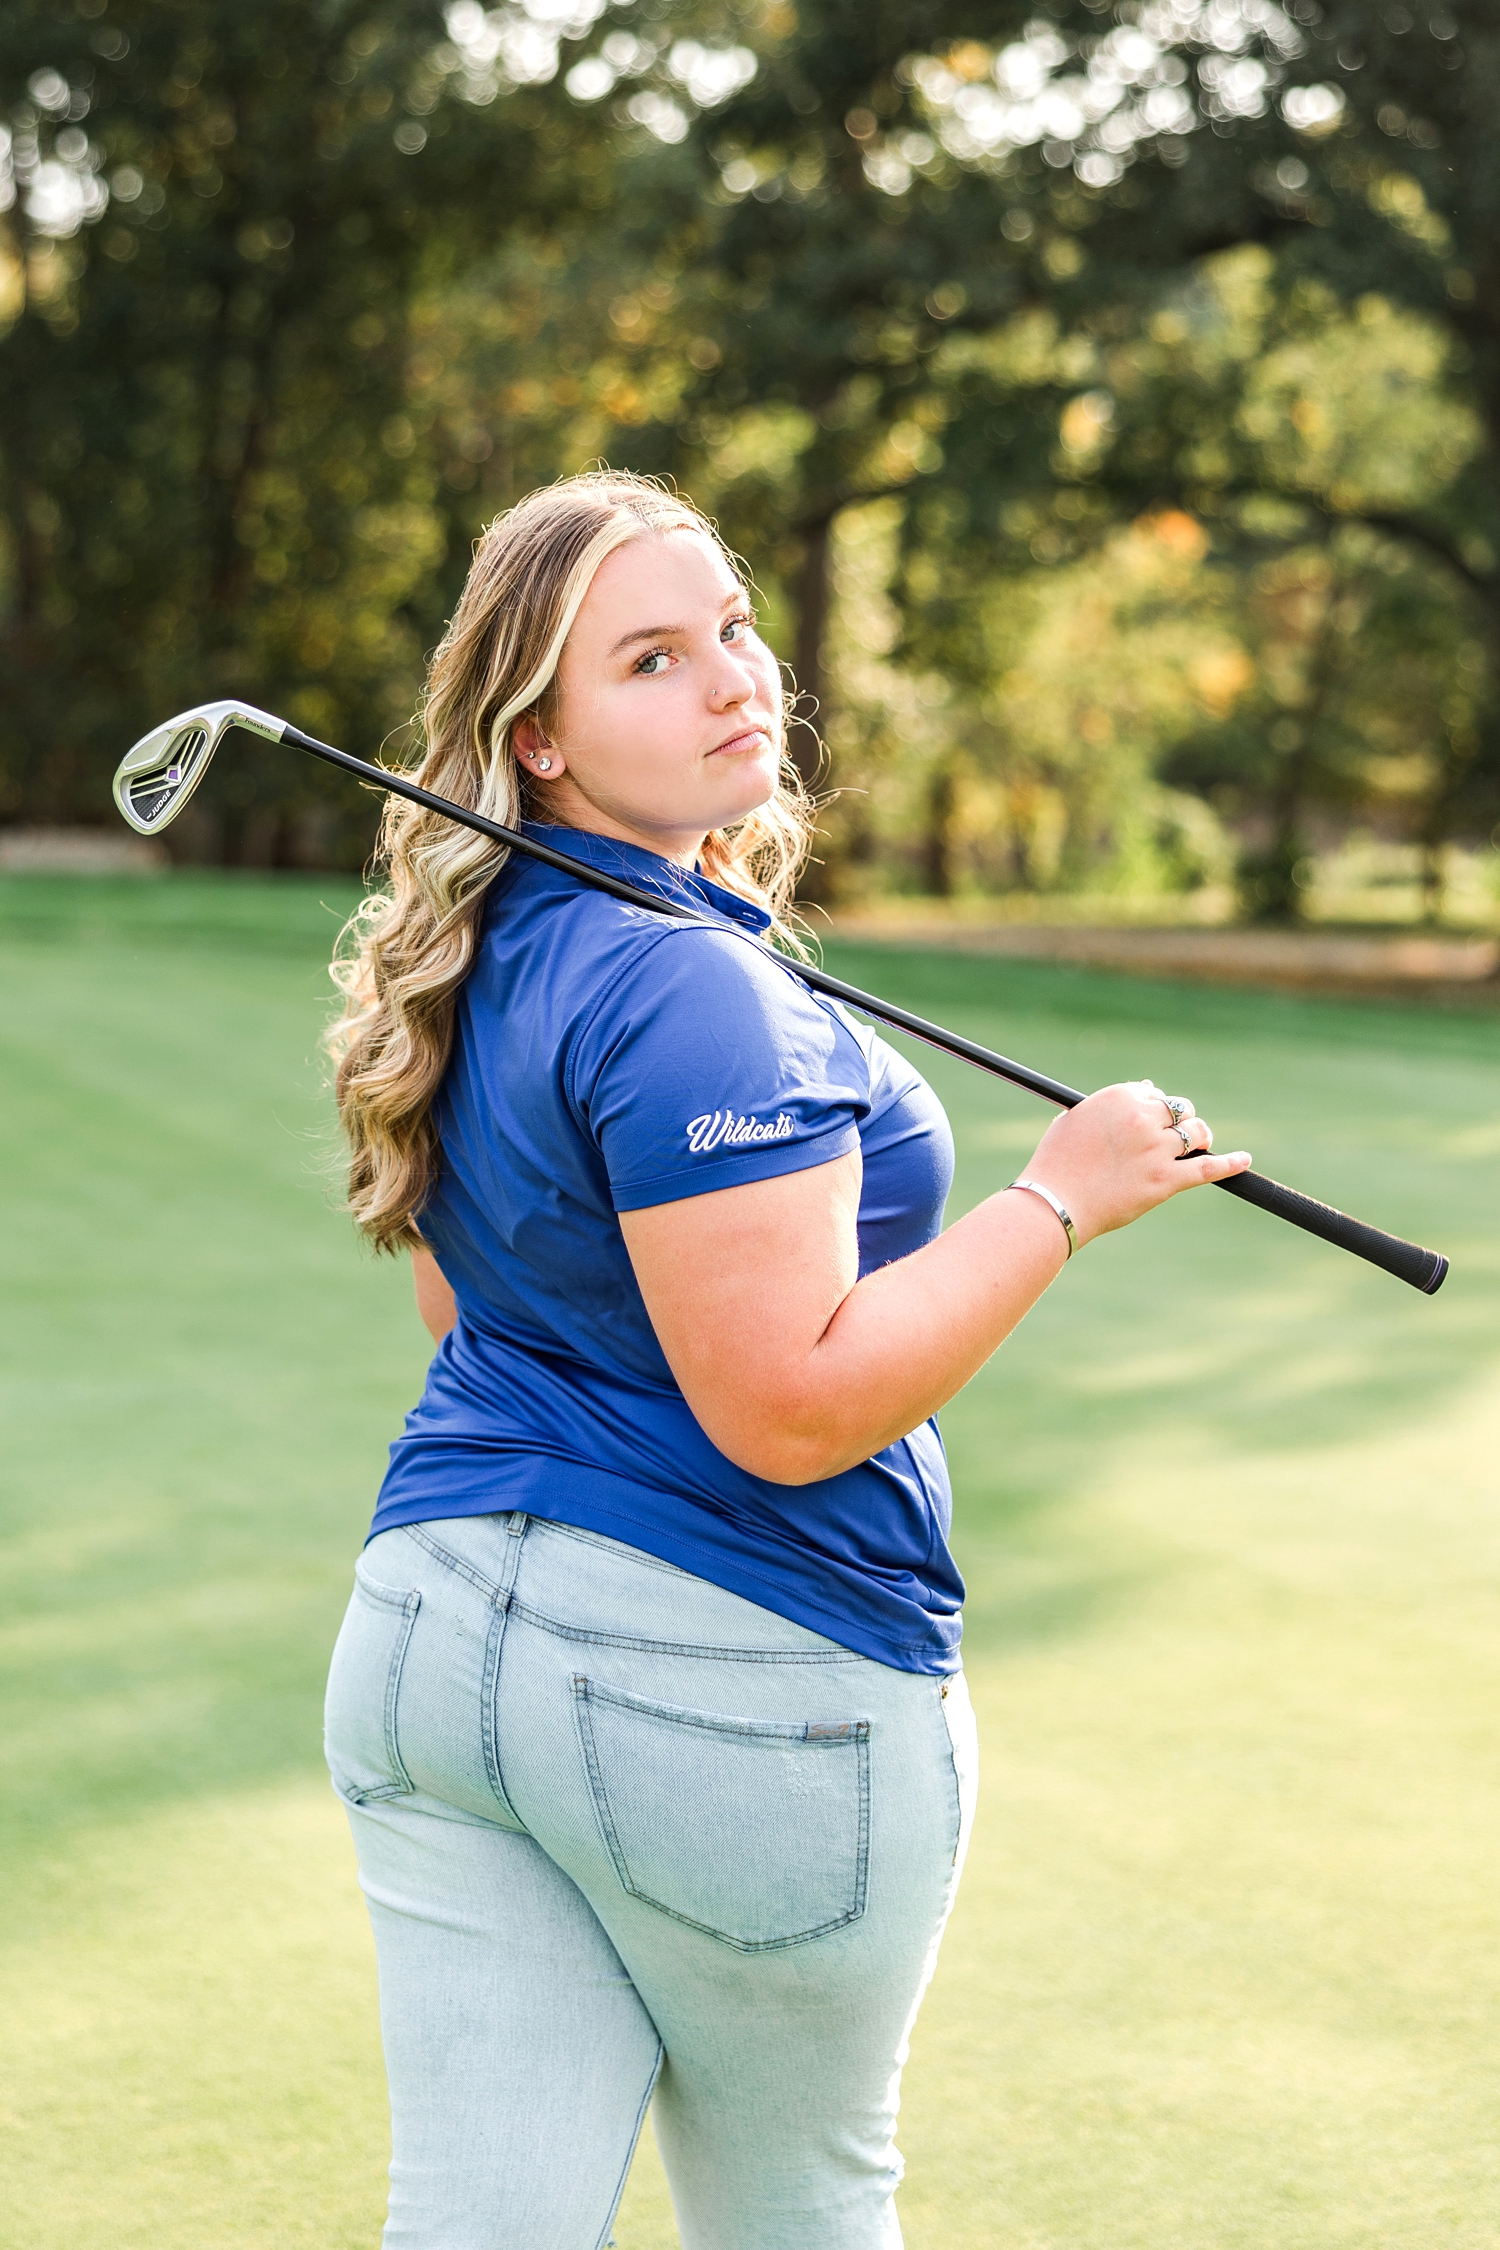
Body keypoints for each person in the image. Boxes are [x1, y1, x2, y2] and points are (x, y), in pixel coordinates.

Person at [322, 469, 1250, 2250]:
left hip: (430, 1652)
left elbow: (470, 1321)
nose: (737, 675)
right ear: (540, 745)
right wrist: (1060, 1199)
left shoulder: (472, 957)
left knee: (479, 2221)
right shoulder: (691, 990)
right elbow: (792, 1405)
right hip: (733, 1681)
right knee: (798, 2215)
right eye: (655, 659)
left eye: (733, 627)